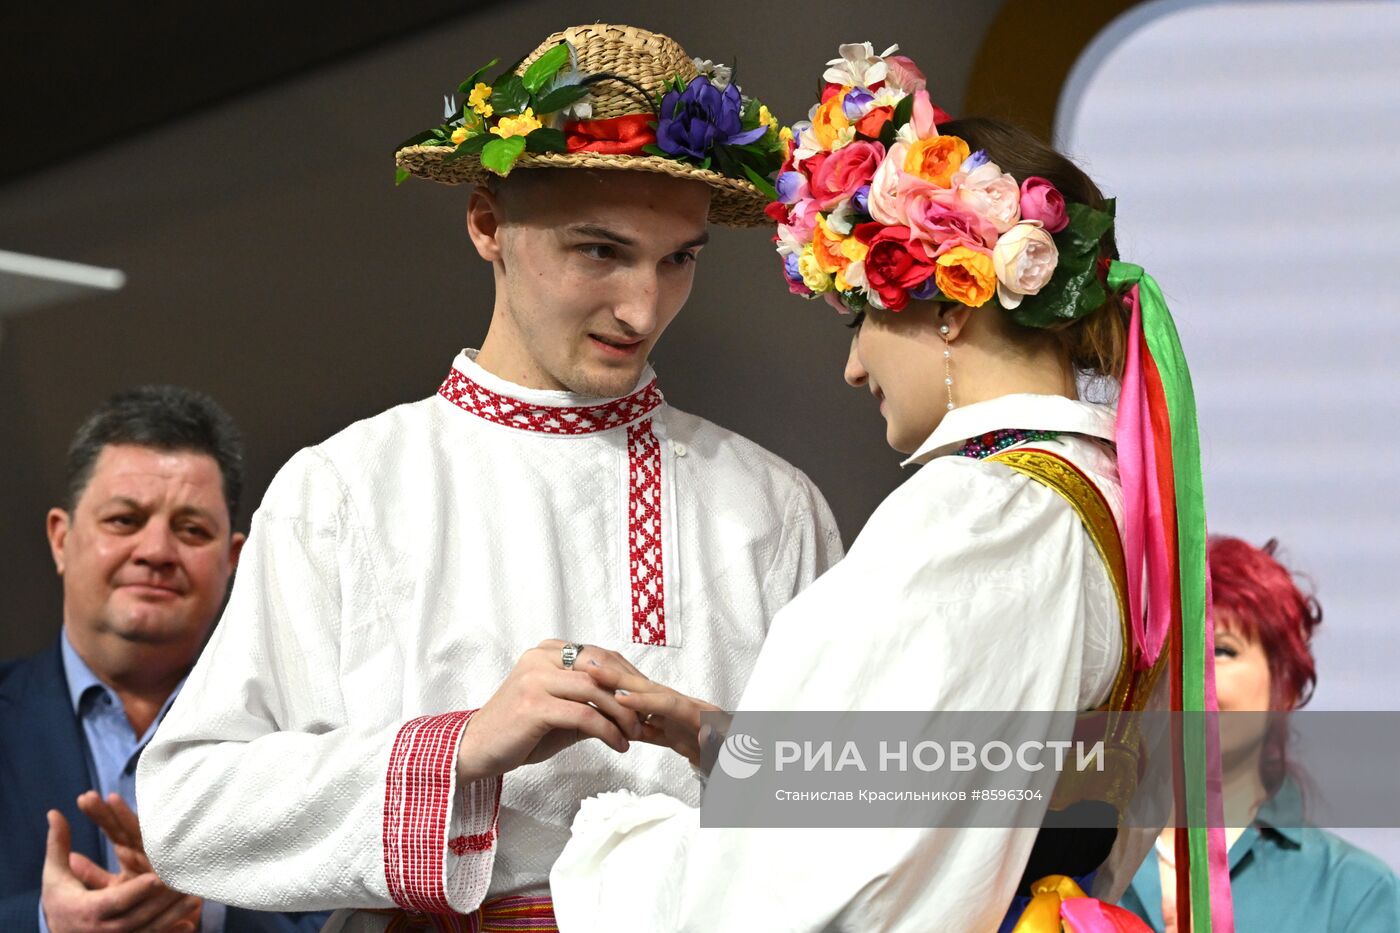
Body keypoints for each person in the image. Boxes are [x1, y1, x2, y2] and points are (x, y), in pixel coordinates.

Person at [136, 23, 841, 933]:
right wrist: (458, 747)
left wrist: (718, 744)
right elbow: (189, 809)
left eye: (679, 260)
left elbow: (870, 811)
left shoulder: (773, 506)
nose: (643, 307)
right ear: (486, 225)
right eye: (600, 251)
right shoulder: (344, 490)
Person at [550, 42, 1237, 931]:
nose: (853, 365)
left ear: (952, 306)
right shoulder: (1095, 495)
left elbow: (834, 882)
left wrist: (615, 847)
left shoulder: (981, 514)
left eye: (863, 314)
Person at [0, 385, 326, 933]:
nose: (155, 551)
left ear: (233, 562)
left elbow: (345, 919)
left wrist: (210, 913)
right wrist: (43, 922)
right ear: (61, 539)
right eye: (125, 520)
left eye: (191, 530)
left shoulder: (304, 743)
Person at [1119, 536, 1400, 931]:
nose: (1188, 674)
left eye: (1221, 651)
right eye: (1169, 649)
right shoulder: (1069, 864)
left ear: (1283, 685)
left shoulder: (1352, 893)